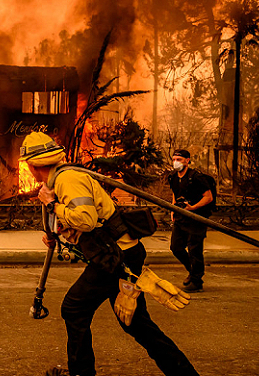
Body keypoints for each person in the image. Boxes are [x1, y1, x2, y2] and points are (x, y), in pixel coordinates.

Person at [20, 132, 199, 376]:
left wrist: (52, 205)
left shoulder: (67, 180)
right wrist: (57, 231)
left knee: (74, 308)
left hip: (116, 257)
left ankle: (81, 372)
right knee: (136, 323)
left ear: (31, 165)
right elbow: (79, 218)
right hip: (120, 253)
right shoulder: (59, 179)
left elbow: (86, 219)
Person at [168, 149, 214, 293]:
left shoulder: (196, 177)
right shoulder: (173, 177)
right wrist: (173, 209)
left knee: (195, 249)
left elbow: (208, 197)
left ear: (187, 160)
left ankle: (196, 280)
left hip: (197, 218)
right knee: (176, 247)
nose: (176, 162)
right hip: (181, 217)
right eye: (174, 159)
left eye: (179, 160)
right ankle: (192, 271)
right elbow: (175, 194)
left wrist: (193, 207)